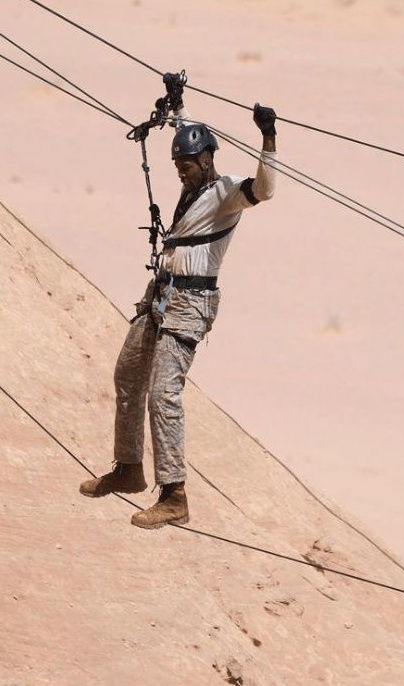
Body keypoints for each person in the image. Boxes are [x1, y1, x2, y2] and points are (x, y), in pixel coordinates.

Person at [79, 73, 277, 529]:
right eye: (179, 168)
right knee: (128, 376)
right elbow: (189, 134)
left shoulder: (227, 193)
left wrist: (268, 138)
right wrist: (178, 103)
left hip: (191, 304)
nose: (182, 174)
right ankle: (128, 468)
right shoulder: (193, 185)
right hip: (160, 295)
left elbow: (265, 190)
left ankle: (175, 495)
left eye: (188, 166)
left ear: (207, 161)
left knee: (163, 392)